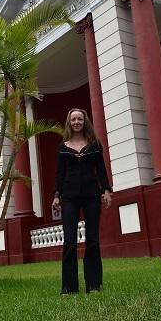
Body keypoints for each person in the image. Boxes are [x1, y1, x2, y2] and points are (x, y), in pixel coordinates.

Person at [52, 108, 112, 295]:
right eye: (73, 119)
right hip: (69, 197)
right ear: (69, 123)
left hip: (92, 196)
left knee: (92, 240)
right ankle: (69, 287)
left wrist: (106, 190)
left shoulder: (94, 145)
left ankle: (93, 285)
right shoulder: (63, 147)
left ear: (84, 121)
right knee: (69, 242)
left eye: (79, 119)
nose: (76, 122)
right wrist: (56, 195)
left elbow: (101, 169)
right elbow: (59, 174)